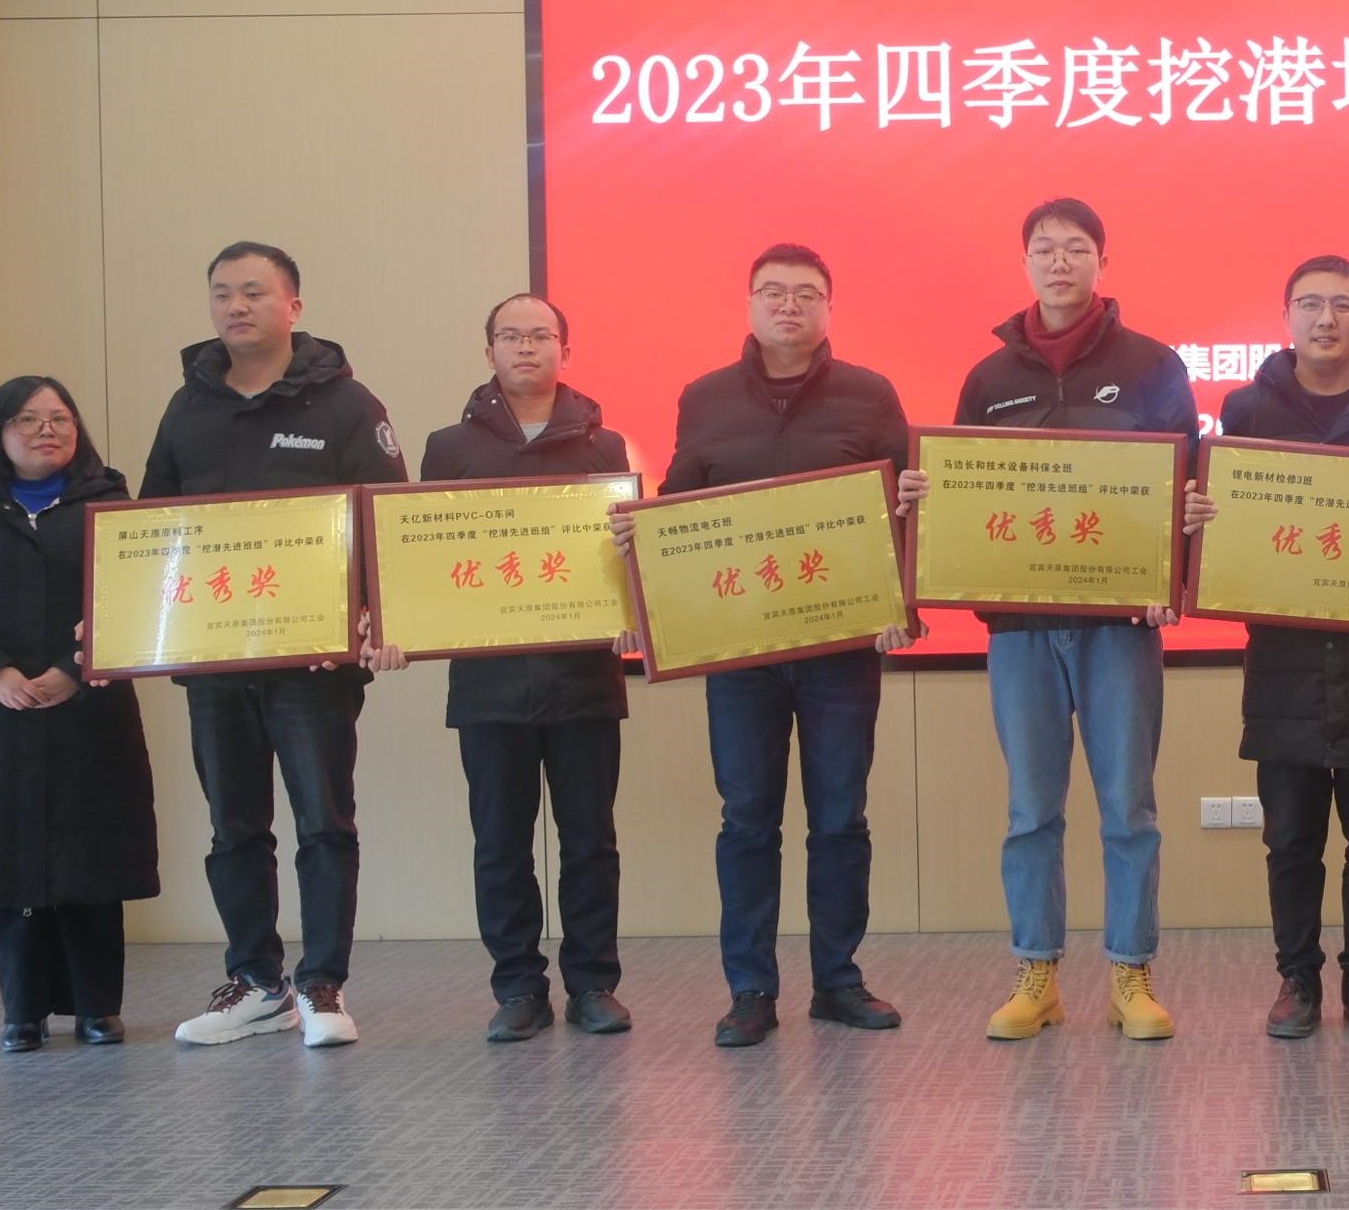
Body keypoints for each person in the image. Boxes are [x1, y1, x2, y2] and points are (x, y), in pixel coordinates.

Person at [897, 197, 1197, 1041]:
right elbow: (964, 494)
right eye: (1043, 248)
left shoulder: (1152, 365)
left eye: (1075, 248)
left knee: (1128, 810)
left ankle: (1131, 975)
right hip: (1020, 630)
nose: (1059, 261)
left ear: (1102, 261)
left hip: (1118, 627)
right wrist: (924, 498)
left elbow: (1187, 486)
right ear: (1025, 262)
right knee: (1031, 811)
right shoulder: (989, 380)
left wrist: (1165, 575)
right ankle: (1037, 974)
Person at [613, 245, 917, 1047]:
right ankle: (750, 990)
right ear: (749, 304)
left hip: (841, 650)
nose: (789, 305)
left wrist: (902, 607)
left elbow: (908, 513)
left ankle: (837, 982)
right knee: (747, 819)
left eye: (806, 293)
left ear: (829, 308)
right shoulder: (705, 397)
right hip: (740, 651)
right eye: (773, 292)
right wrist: (641, 540)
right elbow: (681, 503)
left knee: (840, 818)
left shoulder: (870, 394)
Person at [145, 242, 405, 1048]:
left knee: (323, 823)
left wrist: (370, 616)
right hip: (216, 664)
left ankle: (321, 986)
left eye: (254, 292)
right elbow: (148, 530)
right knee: (234, 828)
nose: (236, 306)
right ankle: (258, 984)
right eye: (222, 293)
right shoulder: (187, 407)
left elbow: (387, 522)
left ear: (294, 306)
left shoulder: (347, 404)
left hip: (312, 665)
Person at [1186, 255, 1349, 1039]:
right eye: (1310, 304)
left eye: (1343, 305)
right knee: (1290, 841)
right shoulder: (1248, 408)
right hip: (1285, 665)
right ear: (1287, 315)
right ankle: (1297, 979)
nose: (1326, 319)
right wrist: (1201, 522)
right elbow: (1228, 530)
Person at [397, 294, 639, 1042]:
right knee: (500, 845)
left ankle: (593, 984)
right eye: (511, 336)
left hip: (583, 679)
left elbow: (625, 560)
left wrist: (636, 574)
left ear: (566, 349)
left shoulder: (605, 446)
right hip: (489, 685)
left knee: (589, 842)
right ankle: (517, 988)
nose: (526, 347)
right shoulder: (449, 448)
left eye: (541, 335)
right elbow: (422, 558)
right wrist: (401, 625)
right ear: (489, 351)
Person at [0, 376, 158, 1052]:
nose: (46, 429)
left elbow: (142, 592)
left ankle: (98, 1009)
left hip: (89, 709)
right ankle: (21, 1012)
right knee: (6, 864)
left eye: (59, 418)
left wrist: (76, 671)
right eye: (27, 419)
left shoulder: (111, 506)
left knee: (91, 861)